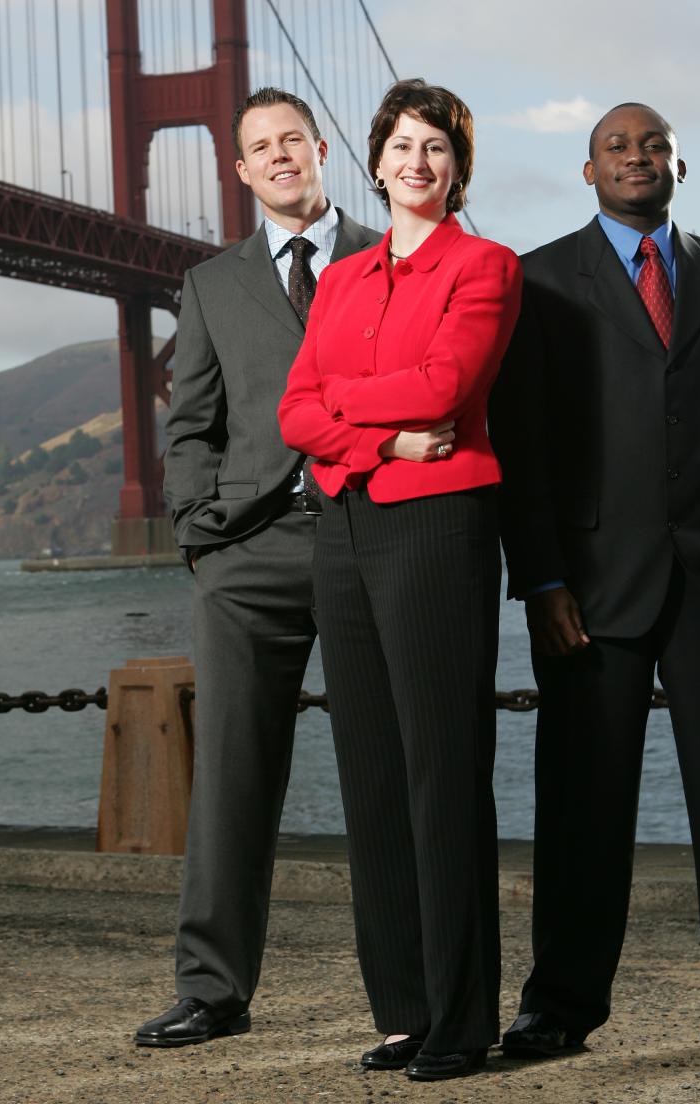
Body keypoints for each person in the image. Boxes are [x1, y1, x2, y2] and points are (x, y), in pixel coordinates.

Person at [490, 102, 700, 1063]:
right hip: (592, 589)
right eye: (614, 146)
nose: (635, 157)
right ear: (585, 170)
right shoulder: (541, 277)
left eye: (652, 145)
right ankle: (556, 1006)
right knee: (581, 802)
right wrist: (544, 576)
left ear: (683, 164)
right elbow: (527, 447)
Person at [278, 79, 521, 1082]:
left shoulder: (487, 266)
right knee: (373, 774)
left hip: (437, 528)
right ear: (374, 161)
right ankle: (406, 1010)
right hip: (344, 522)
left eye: (437, 148)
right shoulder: (338, 279)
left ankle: (463, 1020)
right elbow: (298, 410)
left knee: (440, 769)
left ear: (458, 169)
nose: (417, 163)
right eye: (403, 145)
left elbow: (448, 389)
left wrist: (347, 412)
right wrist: (379, 436)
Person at [135, 87, 381, 1048]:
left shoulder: (391, 248)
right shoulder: (208, 284)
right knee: (233, 776)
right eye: (258, 148)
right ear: (239, 171)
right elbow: (189, 421)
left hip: (372, 537)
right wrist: (201, 534)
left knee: (389, 771)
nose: (279, 157)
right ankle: (213, 987)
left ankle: (410, 994)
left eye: (292, 140)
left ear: (321, 149)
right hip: (247, 554)